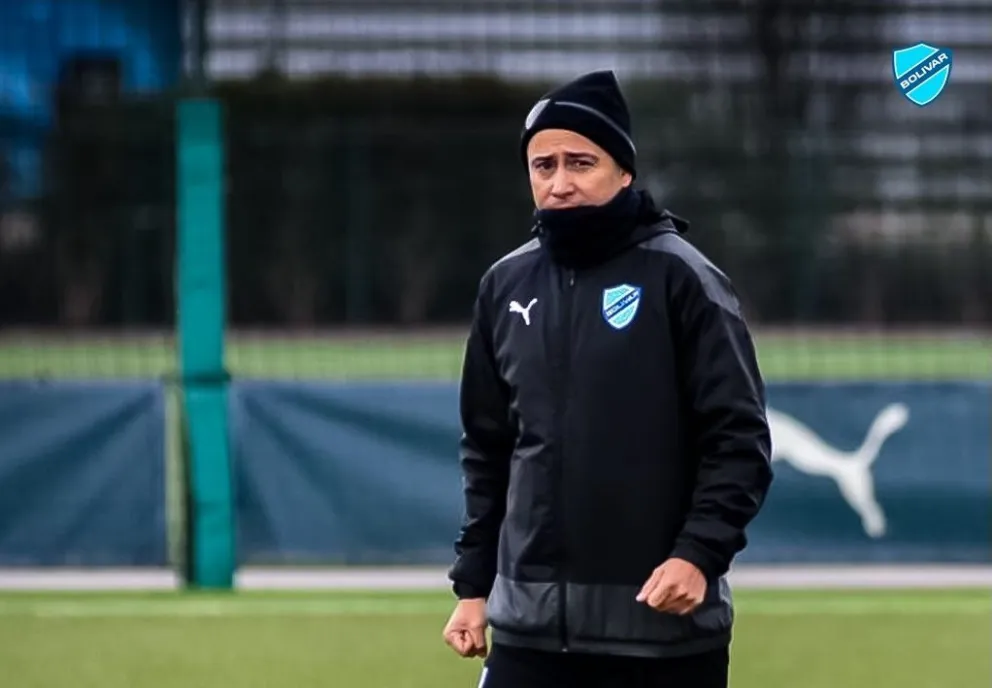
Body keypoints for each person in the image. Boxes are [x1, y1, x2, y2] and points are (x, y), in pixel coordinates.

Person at [442, 69, 774, 688]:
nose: (561, 183)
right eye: (544, 166)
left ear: (623, 170)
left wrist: (698, 555)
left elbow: (739, 441)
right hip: (527, 634)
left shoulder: (684, 279)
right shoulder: (504, 286)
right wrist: (473, 585)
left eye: (580, 162)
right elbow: (488, 449)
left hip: (660, 633)